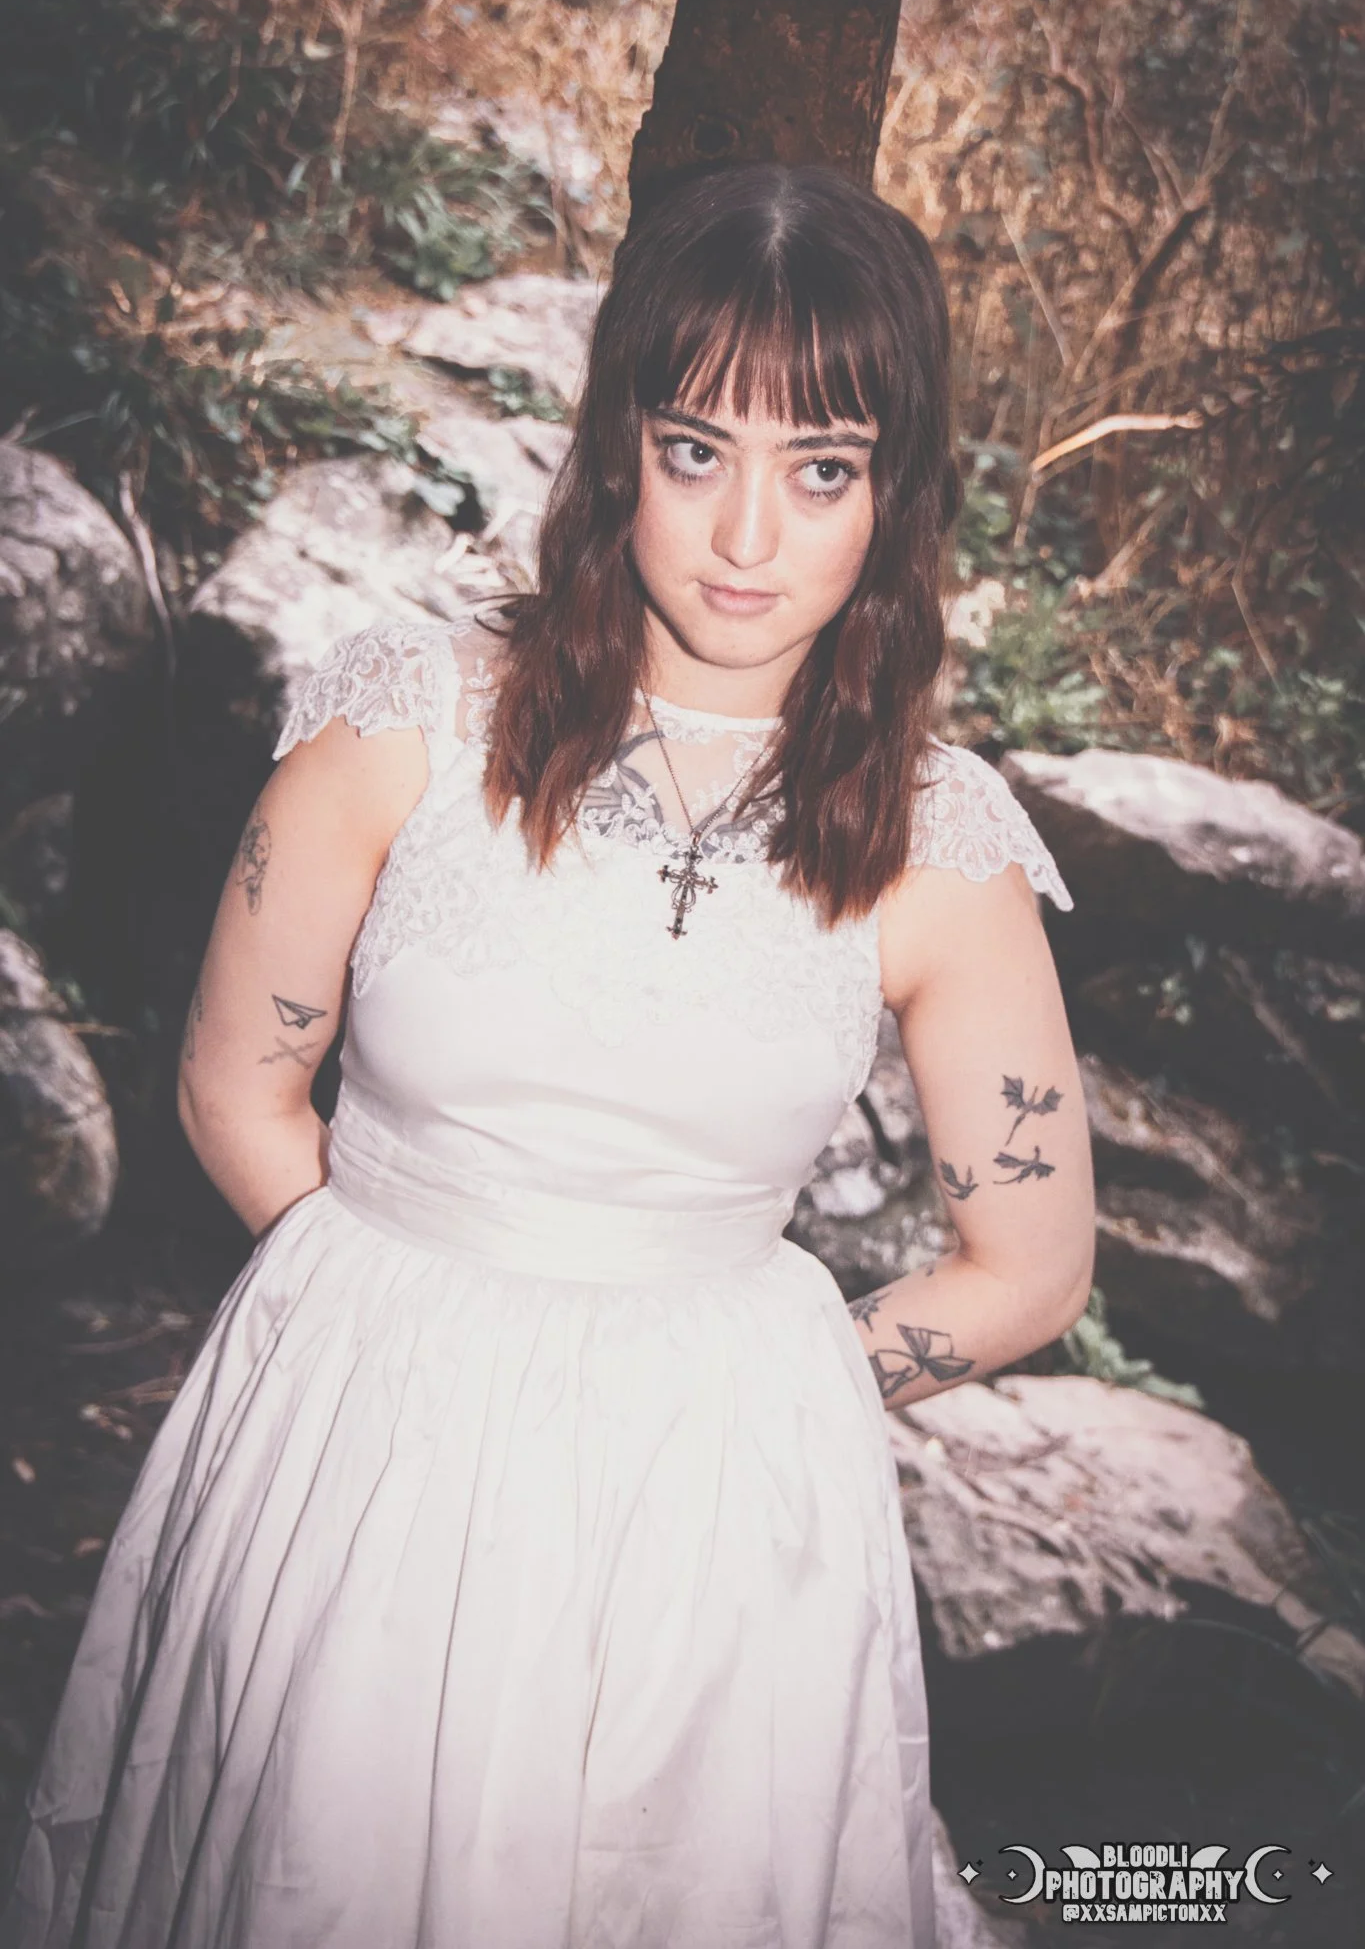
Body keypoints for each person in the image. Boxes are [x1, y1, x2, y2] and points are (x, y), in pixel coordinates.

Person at [0, 161, 1094, 1949]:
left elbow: (1031, 1265)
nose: (749, 536)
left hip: (713, 1545)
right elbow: (234, 1085)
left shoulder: (940, 843)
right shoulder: (402, 723)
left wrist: (765, 1385)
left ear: (895, 494)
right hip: (360, 1474)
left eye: (822, 469)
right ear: (616, 451)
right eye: (696, 451)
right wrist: (395, 1330)